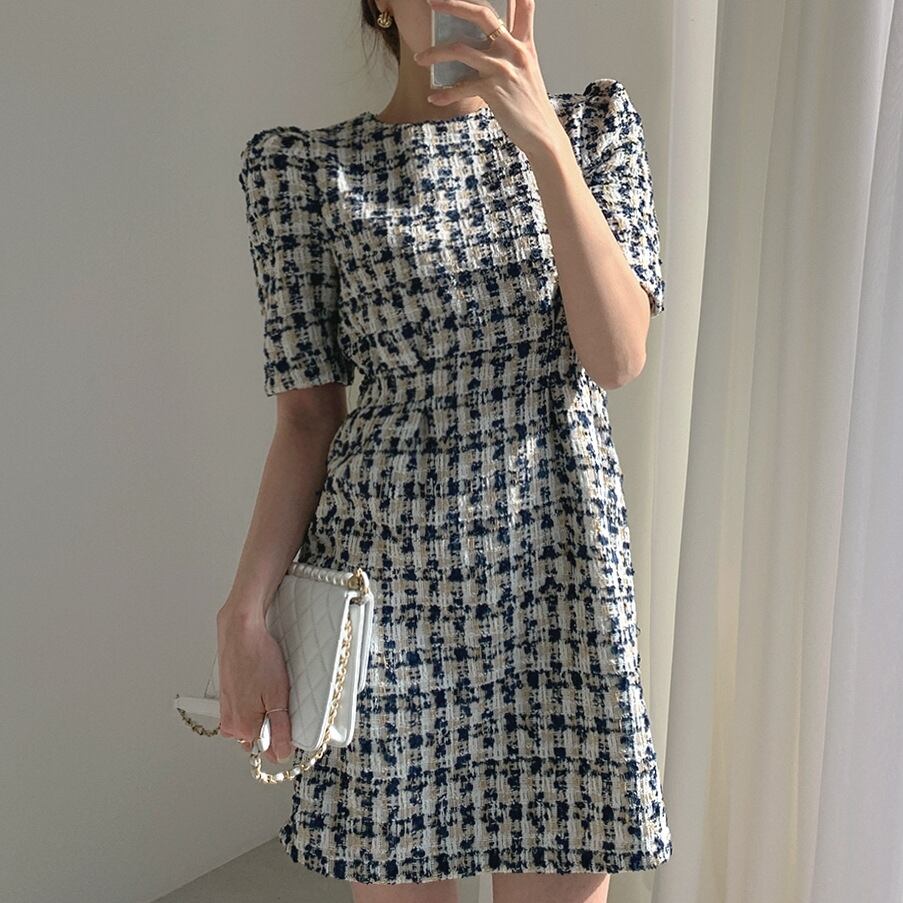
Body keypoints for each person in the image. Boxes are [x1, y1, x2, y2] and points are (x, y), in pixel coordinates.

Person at [216, 0, 673, 900]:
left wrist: (541, 142)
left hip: (558, 578)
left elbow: (616, 357)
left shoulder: (592, 129)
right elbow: (307, 420)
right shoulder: (306, 171)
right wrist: (244, 610)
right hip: (389, 591)